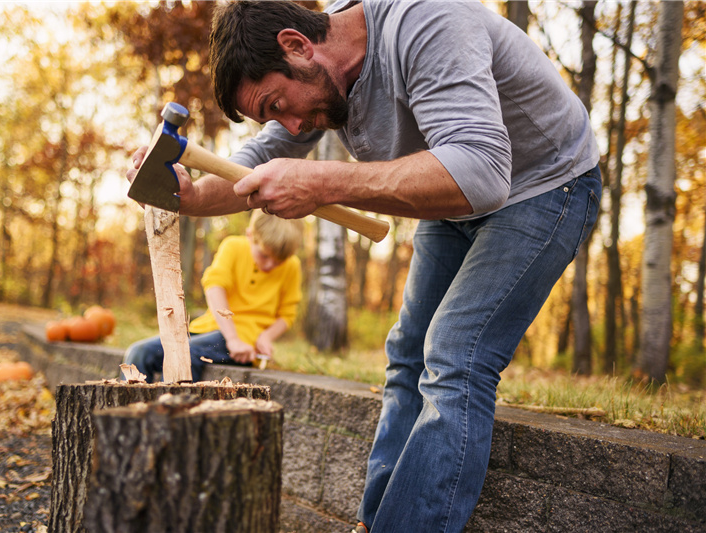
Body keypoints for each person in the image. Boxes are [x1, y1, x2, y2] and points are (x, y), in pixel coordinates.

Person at [126, 1, 601, 531]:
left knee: (455, 354)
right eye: (273, 116)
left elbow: (483, 171)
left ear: (297, 45)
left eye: (279, 104)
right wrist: (189, 198)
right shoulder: (316, 76)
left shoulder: (428, 22)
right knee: (406, 355)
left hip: (544, 184)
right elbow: (252, 165)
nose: (291, 125)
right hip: (456, 197)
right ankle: (374, 523)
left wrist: (322, 182)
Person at [124, 210, 303, 383]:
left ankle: (173, 410)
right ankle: (133, 412)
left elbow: (287, 315)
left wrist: (265, 337)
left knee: (184, 354)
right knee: (139, 353)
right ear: (250, 235)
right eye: (264, 255)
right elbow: (214, 288)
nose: (271, 264)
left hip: (244, 341)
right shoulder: (233, 247)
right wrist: (231, 338)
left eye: (279, 261)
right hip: (209, 330)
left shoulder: (292, 267)